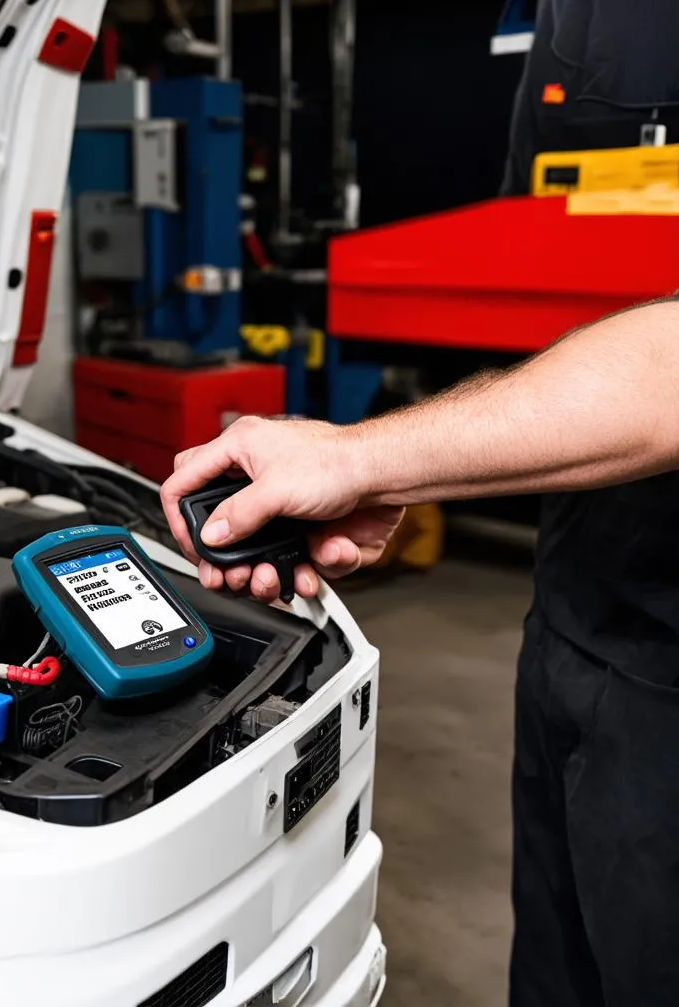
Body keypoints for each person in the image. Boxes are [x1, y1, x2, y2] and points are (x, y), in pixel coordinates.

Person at [162, 302, 679, 1005]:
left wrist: (357, 460)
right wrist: (383, 481)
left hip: (664, 693)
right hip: (581, 616)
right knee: (560, 968)